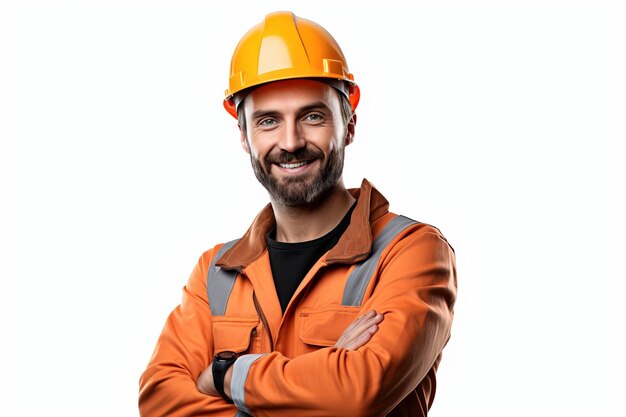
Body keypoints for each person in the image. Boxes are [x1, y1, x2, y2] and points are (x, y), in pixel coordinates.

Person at [139, 11, 457, 417]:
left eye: (312, 116)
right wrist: (323, 381)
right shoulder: (215, 273)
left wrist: (223, 377)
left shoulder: (411, 253)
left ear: (349, 125)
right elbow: (159, 402)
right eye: (268, 121)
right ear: (244, 137)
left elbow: (359, 393)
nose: (290, 142)